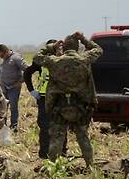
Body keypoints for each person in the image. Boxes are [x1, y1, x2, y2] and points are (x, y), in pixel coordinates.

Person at [33, 32, 103, 166]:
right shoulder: (84, 59)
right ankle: (90, 165)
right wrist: (83, 39)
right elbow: (99, 50)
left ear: (63, 47)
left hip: (60, 105)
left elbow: (37, 57)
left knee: (56, 138)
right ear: (77, 48)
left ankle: (53, 167)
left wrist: (52, 46)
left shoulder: (54, 61)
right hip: (81, 106)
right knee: (83, 137)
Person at [24, 40, 55, 158]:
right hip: (43, 97)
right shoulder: (41, 61)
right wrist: (32, 90)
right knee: (44, 125)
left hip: (59, 98)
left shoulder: (63, 60)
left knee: (60, 125)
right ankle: (44, 153)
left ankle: (61, 152)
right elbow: (27, 73)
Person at [0, 44, 29, 133]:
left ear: (6, 51)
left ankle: (14, 127)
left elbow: (28, 70)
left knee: (13, 107)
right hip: (3, 88)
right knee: (3, 107)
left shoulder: (16, 58)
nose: (1, 57)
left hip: (13, 88)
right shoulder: (1, 59)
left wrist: (20, 82)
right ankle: (3, 126)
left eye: (2, 55)